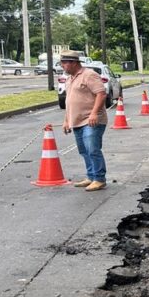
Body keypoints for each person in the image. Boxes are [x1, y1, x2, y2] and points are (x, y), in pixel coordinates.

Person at [61, 50, 108, 192]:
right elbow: (69, 102)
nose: (62, 66)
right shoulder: (70, 79)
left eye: (64, 63)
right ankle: (91, 176)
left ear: (73, 62)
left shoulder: (89, 75)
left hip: (91, 120)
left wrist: (94, 113)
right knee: (84, 150)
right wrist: (66, 120)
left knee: (92, 149)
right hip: (76, 121)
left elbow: (101, 93)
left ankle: (99, 179)